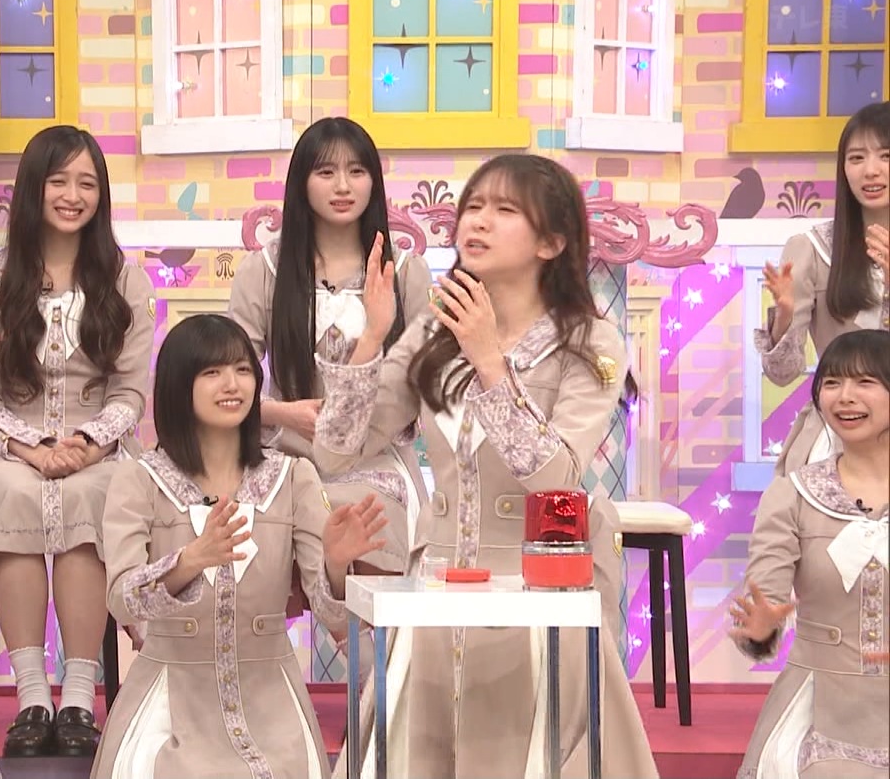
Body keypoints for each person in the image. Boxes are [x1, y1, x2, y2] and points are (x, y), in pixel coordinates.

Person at [315, 154, 658, 777]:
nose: (477, 221)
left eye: (503, 210)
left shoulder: (590, 342)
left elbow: (555, 479)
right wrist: (371, 339)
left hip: (538, 603)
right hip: (435, 599)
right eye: (472, 206)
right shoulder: (433, 329)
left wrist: (490, 362)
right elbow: (338, 448)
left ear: (552, 242)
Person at [91, 314, 386, 779]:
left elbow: (333, 618)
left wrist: (334, 565)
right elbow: (122, 599)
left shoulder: (294, 476)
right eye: (212, 372)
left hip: (271, 698)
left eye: (243, 370)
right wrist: (189, 560)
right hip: (170, 698)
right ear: (178, 385)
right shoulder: (138, 478)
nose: (232, 384)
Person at [0, 125, 154, 757]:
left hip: (100, 449)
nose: (73, 195)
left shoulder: (126, 280)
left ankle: (79, 698)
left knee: (93, 495)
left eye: (87, 183)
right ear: (32, 189)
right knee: (11, 492)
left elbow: (131, 392)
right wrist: (33, 448)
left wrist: (89, 444)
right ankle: (32, 695)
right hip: (10, 449)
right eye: (59, 181)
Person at [228, 116, 430, 582]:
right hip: (286, 453)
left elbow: (422, 383)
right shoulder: (264, 271)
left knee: (370, 510)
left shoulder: (405, 270)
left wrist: (354, 428)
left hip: (374, 454)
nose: (343, 186)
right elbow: (225, 376)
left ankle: (371, 631)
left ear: (373, 182)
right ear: (302, 182)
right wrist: (283, 414)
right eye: (326, 172)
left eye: (357, 171)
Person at [732, 329, 889, 778]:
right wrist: (760, 627)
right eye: (832, 382)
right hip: (819, 708)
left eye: (864, 382)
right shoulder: (793, 495)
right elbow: (764, 596)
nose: (845, 396)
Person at [758, 101, 889, 476]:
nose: (871, 170)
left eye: (886, 155)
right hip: (839, 435)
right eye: (857, 157)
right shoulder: (812, 249)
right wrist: (785, 314)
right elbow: (782, 374)